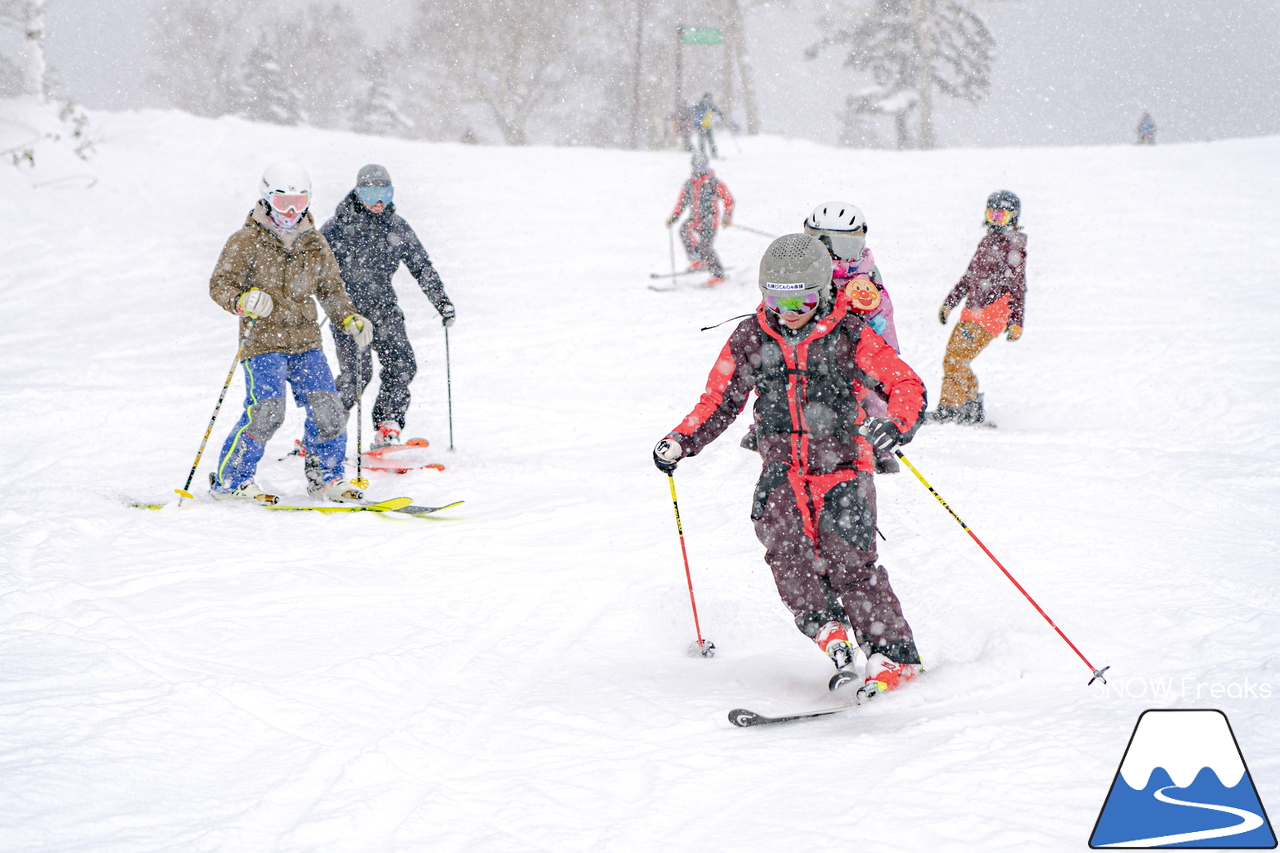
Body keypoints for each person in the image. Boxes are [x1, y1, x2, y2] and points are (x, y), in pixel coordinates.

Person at [653, 234, 927, 696]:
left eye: (799, 299)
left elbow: (906, 384)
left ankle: (893, 657)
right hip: (782, 469)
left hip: (842, 468)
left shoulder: (849, 335)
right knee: (787, 557)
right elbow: (719, 400)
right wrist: (682, 439)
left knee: (851, 564)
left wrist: (896, 425)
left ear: (821, 292)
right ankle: (828, 631)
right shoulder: (752, 338)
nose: (788, 310)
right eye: (776, 298)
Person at [208, 161, 374, 504]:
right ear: (267, 199)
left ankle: (327, 478)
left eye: (300, 202)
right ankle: (232, 480)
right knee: (267, 410)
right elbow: (220, 284)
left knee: (328, 408)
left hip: (305, 341)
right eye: (285, 203)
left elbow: (331, 290)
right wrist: (243, 300)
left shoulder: (314, 243)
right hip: (262, 342)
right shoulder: (246, 241)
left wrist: (350, 319)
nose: (293, 211)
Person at [320, 164, 456, 448]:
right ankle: (325, 429)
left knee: (402, 364)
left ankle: (388, 426)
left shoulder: (397, 227)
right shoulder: (337, 227)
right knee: (357, 375)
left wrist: (440, 301)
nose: (379, 202)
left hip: (384, 308)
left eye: (386, 193)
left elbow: (421, 265)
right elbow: (312, 266)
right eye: (371, 194)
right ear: (358, 193)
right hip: (349, 313)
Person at [803, 202, 902, 473]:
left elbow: (883, 315)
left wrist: (887, 354)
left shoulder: (864, 280)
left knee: (872, 392)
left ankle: (879, 444)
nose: (835, 256)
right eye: (825, 245)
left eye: (844, 246)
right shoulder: (803, 273)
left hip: (854, 349)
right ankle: (765, 427)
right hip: (809, 347)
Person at [934, 190, 1027, 425]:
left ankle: (952, 408)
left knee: (955, 358)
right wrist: (950, 303)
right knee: (958, 358)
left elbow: (1018, 287)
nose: (996, 220)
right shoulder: (988, 242)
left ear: (1013, 218)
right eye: (992, 214)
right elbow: (969, 277)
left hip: (991, 313)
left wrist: (1016, 321)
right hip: (973, 312)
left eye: (1002, 216)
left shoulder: (1012, 246)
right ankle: (970, 408)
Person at [666, 154, 735, 287]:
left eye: (702, 166)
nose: (699, 169)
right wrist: (674, 217)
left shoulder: (713, 182)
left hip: (710, 219)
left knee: (705, 245)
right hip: (695, 218)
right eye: (697, 166)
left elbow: (729, 199)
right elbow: (681, 202)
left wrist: (727, 216)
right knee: (684, 230)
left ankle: (718, 274)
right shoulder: (689, 184)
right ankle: (699, 259)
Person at [689, 92, 729, 159]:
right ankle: (703, 155)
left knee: (710, 141)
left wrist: (722, 115)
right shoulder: (701, 105)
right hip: (701, 126)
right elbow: (693, 111)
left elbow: (718, 111)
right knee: (703, 141)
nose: (708, 100)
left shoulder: (710, 106)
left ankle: (712, 154)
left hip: (707, 125)